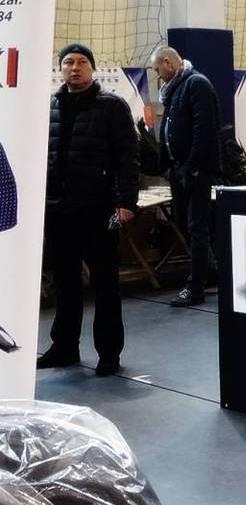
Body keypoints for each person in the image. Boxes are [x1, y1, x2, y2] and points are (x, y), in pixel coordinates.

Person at [38, 43, 139, 376]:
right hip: (58, 211)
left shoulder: (112, 106)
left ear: (92, 68)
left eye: (82, 62)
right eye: (68, 62)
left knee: (105, 284)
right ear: (61, 69)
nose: (75, 67)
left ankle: (109, 353)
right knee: (64, 284)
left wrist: (126, 202)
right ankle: (64, 347)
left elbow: (128, 158)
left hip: (98, 210)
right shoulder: (50, 106)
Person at [151, 46, 221, 307]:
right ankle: (210, 272)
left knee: (196, 227)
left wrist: (193, 166)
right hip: (179, 169)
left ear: (168, 63)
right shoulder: (176, 88)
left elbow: (205, 130)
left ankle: (196, 287)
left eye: (157, 69)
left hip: (195, 171)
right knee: (185, 223)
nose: (158, 75)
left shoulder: (196, 84)